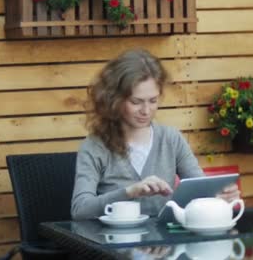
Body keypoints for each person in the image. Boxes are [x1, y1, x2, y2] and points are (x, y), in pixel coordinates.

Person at [71, 49, 240, 220]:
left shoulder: (171, 139)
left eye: (153, 101)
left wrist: (219, 196)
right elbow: (80, 210)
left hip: (165, 241)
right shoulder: (95, 146)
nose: (146, 111)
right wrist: (130, 193)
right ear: (114, 100)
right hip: (112, 244)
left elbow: (200, 190)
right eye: (136, 102)